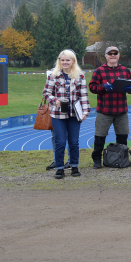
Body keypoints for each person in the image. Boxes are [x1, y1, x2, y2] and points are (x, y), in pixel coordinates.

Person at [42, 49, 91, 179]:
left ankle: (74, 166)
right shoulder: (53, 75)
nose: (65, 62)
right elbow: (46, 93)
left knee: (74, 141)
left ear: (73, 61)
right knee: (60, 141)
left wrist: (85, 112)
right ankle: (59, 168)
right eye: (62, 60)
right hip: (58, 114)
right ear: (59, 61)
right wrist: (54, 100)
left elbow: (84, 95)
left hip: (75, 114)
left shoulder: (80, 75)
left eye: (67, 60)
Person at [88, 46, 131, 169]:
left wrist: (130, 89)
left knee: (123, 136)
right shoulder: (99, 71)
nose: (113, 55)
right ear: (106, 56)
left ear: (119, 55)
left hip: (121, 110)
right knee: (100, 136)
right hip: (105, 110)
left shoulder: (126, 70)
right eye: (110, 53)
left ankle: (122, 158)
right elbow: (92, 87)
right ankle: (97, 159)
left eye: (115, 53)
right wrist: (103, 87)